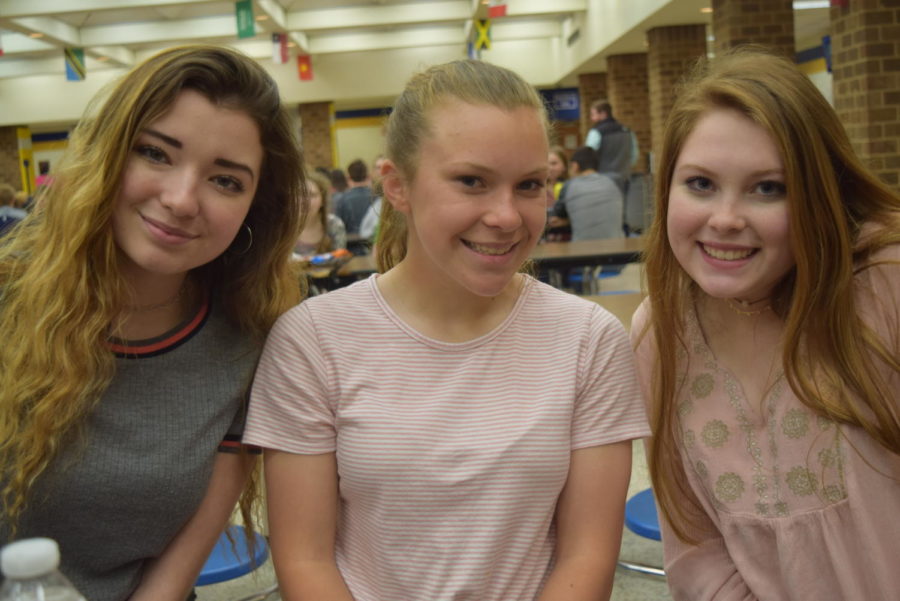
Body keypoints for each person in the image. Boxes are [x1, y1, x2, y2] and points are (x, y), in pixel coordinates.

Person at [243, 58, 650, 601]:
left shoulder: (588, 339)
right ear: (397, 185)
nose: (506, 215)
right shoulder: (313, 340)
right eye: (471, 181)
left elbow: (587, 555)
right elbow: (305, 559)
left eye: (529, 184)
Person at [0, 45, 305, 601]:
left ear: (254, 210)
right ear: (108, 154)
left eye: (226, 181)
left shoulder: (251, 338)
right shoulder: (9, 299)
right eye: (155, 154)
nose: (182, 199)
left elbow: (179, 560)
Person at [632, 46, 900, 600]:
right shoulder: (660, 337)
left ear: (818, 194)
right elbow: (695, 547)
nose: (725, 219)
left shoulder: (882, 288)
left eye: (768, 188)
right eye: (701, 183)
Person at [549, 146, 623, 242]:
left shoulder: (569, 186)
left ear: (575, 166)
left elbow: (556, 216)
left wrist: (566, 221)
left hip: (582, 251)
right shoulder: (612, 183)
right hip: (618, 248)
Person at [584, 99, 637, 194]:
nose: (591, 118)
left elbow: (588, 156)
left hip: (602, 179)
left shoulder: (596, 132)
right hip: (624, 178)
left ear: (603, 113)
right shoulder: (627, 131)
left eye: (593, 114)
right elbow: (634, 156)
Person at [295, 169, 347, 256]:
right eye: (299, 194)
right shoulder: (283, 227)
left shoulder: (334, 224)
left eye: (311, 195)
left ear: (323, 200)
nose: (304, 201)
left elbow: (339, 259)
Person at [333, 158, 375, 236]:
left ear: (348, 177)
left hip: (350, 245)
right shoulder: (376, 197)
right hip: (373, 242)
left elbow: (338, 227)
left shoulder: (342, 200)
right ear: (367, 176)